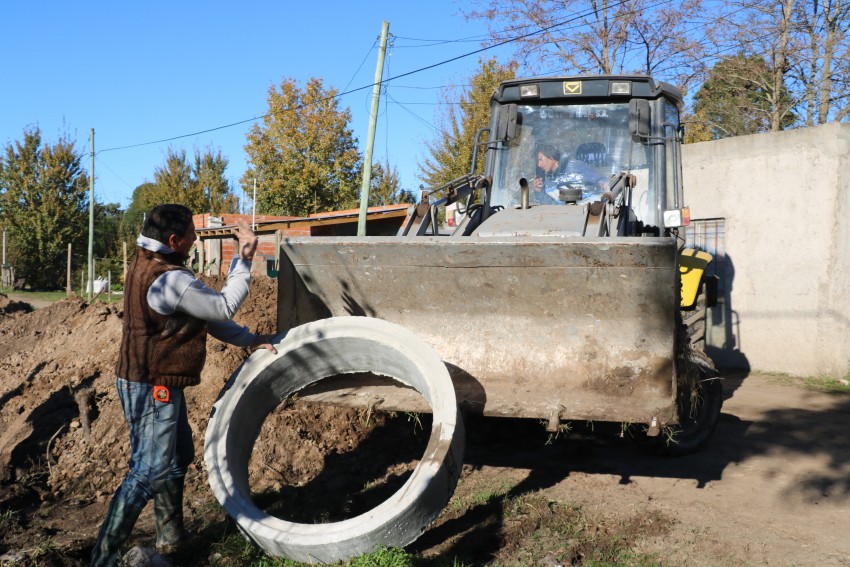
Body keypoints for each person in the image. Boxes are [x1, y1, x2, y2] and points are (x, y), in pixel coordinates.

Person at [91, 204, 278, 566]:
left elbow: (203, 315)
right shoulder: (168, 278)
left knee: (177, 459)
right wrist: (244, 258)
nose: (196, 239)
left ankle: (171, 539)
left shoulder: (151, 265)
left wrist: (248, 340)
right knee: (148, 470)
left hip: (147, 379)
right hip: (152, 385)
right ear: (174, 240)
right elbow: (223, 307)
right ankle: (104, 557)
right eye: (192, 234)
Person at [531, 143, 609, 203]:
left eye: (541, 159)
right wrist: (539, 191)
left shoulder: (575, 167)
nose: (539, 165)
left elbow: (602, 183)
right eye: (538, 161)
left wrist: (602, 187)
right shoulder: (548, 179)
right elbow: (550, 205)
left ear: (550, 156)